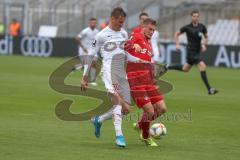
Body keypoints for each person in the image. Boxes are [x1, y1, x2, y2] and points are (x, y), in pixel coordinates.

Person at [81, 7, 138, 148]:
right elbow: (90, 55)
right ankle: (119, 136)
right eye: (120, 22)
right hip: (108, 72)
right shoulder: (101, 35)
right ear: (112, 19)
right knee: (118, 102)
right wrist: (85, 77)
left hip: (120, 74)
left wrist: (139, 60)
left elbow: (125, 53)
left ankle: (98, 121)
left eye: (123, 22)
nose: (121, 25)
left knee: (126, 109)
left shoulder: (123, 33)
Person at [125, 18, 167, 147]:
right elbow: (125, 46)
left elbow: (148, 62)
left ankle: (140, 125)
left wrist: (154, 76)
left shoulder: (148, 43)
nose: (151, 32)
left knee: (162, 108)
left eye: (153, 30)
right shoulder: (136, 35)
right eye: (150, 29)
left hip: (148, 80)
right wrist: (133, 45)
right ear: (143, 26)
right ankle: (145, 136)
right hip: (135, 80)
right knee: (149, 111)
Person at [168, 10, 218, 95]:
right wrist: (177, 44)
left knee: (185, 69)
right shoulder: (187, 27)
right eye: (194, 16)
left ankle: (168, 66)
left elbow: (206, 37)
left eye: (197, 16)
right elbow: (176, 34)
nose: (196, 18)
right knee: (202, 66)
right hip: (191, 52)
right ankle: (209, 89)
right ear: (191, 17)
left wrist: (204, 44)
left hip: (197, 51)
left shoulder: (202, 27)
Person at [73, 18, 99, 86]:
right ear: (89, 23)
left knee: (93, 63)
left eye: (94, 23)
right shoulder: (85, 31)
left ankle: (93, 80)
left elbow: (95, 40)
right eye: (92, 23)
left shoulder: (97, 32)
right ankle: (77, 67)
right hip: (84, 49)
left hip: (92, 50)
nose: (93, 24)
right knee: (86, 64)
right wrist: (83, 47)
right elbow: (77, 38)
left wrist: (94, 47)